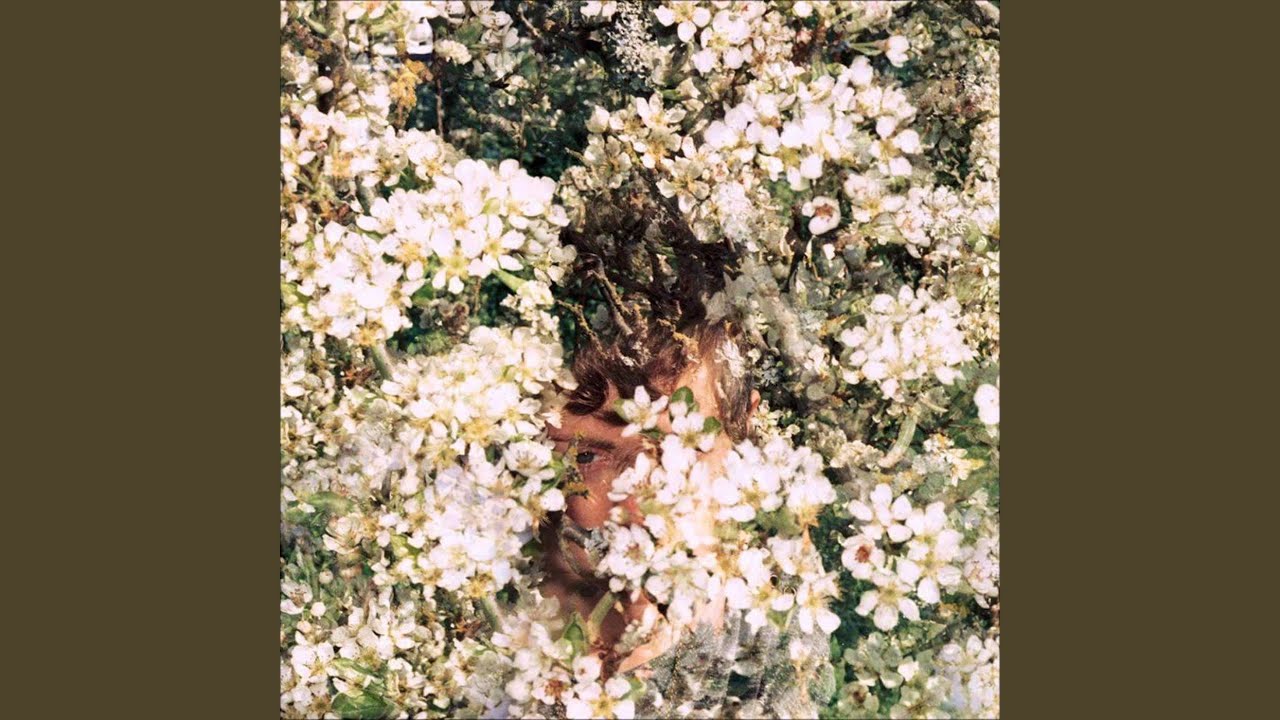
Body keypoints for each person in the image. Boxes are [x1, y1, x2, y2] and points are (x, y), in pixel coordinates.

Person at [539, 312, 834, 717]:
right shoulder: (515, 635)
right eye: (586, 457)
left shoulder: (784, 622)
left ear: (744, 429)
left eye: (683, 446)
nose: (642, 506)